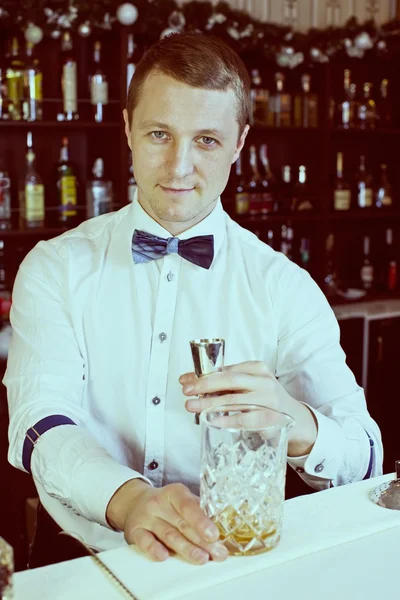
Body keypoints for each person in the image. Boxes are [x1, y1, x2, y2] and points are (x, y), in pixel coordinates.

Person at [4, 32, 382, 569]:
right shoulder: (56, 267)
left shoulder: (284, 286)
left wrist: (293, 420)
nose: (179, 167)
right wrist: (131, 500)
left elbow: (366, 456)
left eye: (206, 139)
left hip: (234, 558)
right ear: (128, 129)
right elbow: (39, 423)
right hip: (81, 556)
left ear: (239, 143)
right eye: (161, 133)